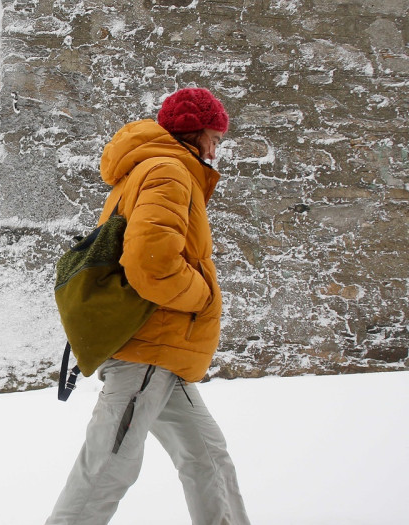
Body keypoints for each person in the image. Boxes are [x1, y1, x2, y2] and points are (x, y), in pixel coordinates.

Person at [46, 88, 250, 525]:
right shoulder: (169, 172)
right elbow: (150, 264)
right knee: (107, 466)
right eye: (215, 137)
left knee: (207, 458)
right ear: (195, 135)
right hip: (148, 348)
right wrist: (204, 297)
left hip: (162, 353)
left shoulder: (151, 169)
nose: (218, 149)